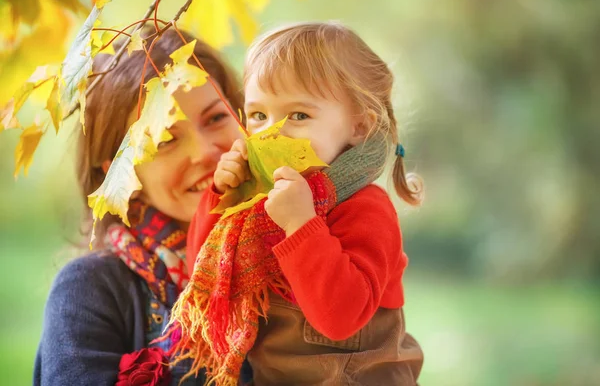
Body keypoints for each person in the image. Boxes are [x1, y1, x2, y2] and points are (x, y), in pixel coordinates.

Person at [172, 21, 424, 385]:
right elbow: (206, 273)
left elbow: (340, 319)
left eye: (299, 116)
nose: (271, 132)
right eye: (258, 115)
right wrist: (221, 194)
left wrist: (303, 226)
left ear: (359, 127)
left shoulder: (367, 208)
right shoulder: (258, 203)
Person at [33, 28, 245, 385]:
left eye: (215, 118)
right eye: (165, 139)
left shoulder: (299, 249)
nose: (205, 152)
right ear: (121, 174)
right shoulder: (90, 291)